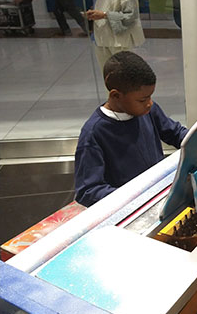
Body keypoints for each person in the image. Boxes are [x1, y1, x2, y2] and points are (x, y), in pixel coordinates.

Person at [74, 51, 188, 207]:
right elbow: (88, 191)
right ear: (116, 96)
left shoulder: (147, 110)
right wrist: (133, 196)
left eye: (150, 96)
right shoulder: (94, 133)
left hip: (159, 195)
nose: (149, 103)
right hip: (130, 206)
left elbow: (175, 133)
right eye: (142, 99)